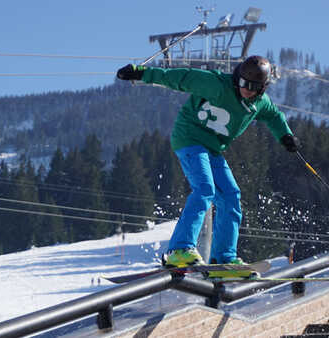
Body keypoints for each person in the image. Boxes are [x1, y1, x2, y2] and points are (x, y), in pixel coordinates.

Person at [116, 55, 301, 268]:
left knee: (231, 196)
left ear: (262, 88)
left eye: (253, 87)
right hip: (190, 138)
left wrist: (285, 136)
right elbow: (180, 77)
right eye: (243, 83)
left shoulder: (260, 103)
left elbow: (274, 116)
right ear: (237, 77)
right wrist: (141, 72)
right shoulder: (217, 85)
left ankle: (224, 257)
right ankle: (179, 250)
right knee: (205, 188)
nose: (247, 89)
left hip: (212, 148)